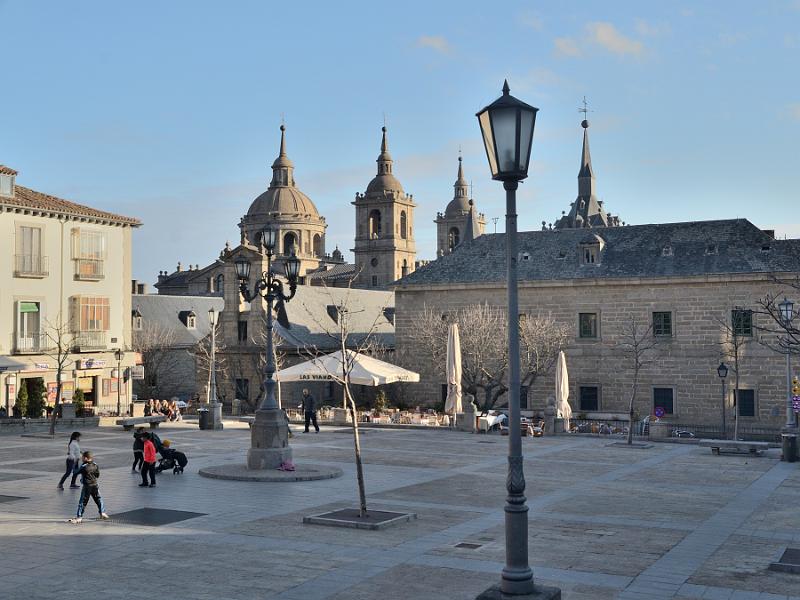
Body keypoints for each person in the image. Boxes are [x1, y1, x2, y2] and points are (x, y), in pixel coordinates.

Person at [69, 451, 109, 523]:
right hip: (95, 485)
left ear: (86, 458)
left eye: (82, 458)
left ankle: (79, 517)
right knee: (99, 499)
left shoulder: (84, 466)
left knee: (83, 502)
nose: (82, 459)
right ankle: (102, 512)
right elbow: (97, 475)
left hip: (87, 486)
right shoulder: (95, 465)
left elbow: (75, 472)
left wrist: (75, 464)